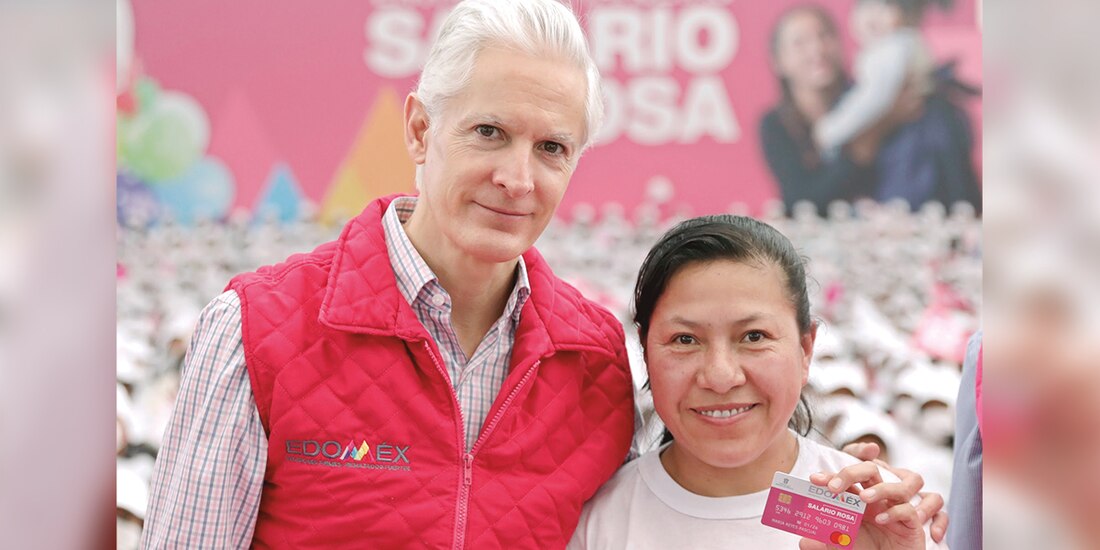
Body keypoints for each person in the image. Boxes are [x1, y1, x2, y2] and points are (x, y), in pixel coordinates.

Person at [141, 1, 636, 547]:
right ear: (421, 130)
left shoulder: (595, 361)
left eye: (551, 148)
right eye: (490, 132)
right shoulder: (255, 331)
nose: (517, 179)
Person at [570, 215, 946, 549]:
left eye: (754, 336)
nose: (720, 377)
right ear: (645, 353)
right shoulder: (595, 521)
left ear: (805, 349)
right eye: (685, 340)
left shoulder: (880, 513)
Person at [760, 6, 919, 216]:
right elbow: (802, 200)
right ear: (779, 60)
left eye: (824, 36)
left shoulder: (873, 98)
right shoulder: (776, 124)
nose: (817, 49)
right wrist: (876, 131)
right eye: (800, 43)